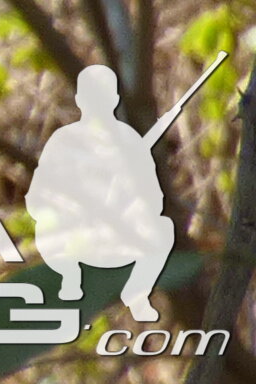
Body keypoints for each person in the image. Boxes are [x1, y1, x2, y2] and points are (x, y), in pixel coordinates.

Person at [29, 63, 178, 318]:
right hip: (72, 239)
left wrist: (126, 201)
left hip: (117, 237)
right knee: (46, 229)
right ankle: (70, 281)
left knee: (164, 229)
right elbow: (37, 199)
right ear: (79, 99)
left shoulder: (130, 141)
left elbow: (154, 199)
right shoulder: (64, 141)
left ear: (115, 98)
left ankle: (137, 295)